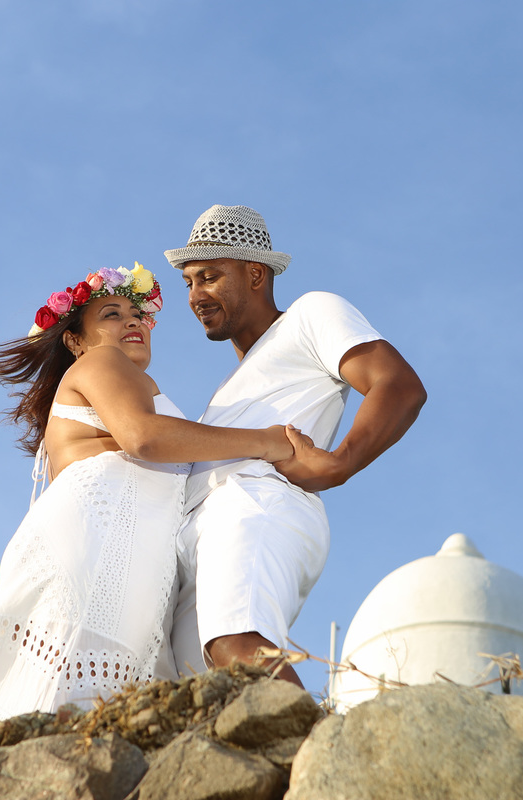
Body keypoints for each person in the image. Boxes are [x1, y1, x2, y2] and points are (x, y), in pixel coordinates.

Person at [0, 263, 293, 732]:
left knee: (77, 694)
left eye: (138, 314)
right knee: (78, 685)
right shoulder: (101, 361)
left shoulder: (113, 378)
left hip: (112, 544)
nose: (133, 322)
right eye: (112, 314)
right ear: (76, 341)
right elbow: (142, 437)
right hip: (99, 543)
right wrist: (266, 441)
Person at [163, 205, 427, 688]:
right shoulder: (227, 389)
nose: (196, 295)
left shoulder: (311, 314)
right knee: (202, 693)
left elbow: (399, 385)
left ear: (256, 274)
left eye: (210, 277)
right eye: (189, 283)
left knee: (239, 649)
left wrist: (340, 463)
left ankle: (325, 762)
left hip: (254, 506)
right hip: (198, 538)